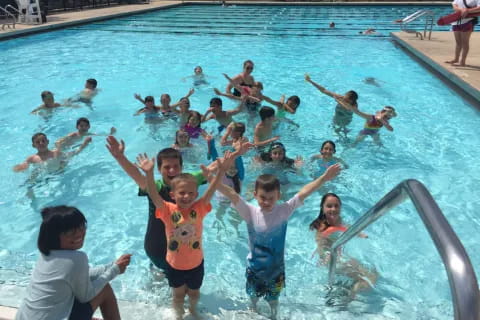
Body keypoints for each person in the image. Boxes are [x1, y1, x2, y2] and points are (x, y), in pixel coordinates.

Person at [216, 164, 341, 319]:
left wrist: (324, 178)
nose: (267, 202)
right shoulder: (249, 212)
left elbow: (304, 192)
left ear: (278, 196)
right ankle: (253, 310)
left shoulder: (283, 211)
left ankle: (274, 315)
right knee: (253, 297)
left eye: (271, 198)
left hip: (276, 272)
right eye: (262, 197)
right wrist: (214, 179)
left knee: (273, 300)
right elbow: (232, 194)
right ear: (255, 195)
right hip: (255, 270)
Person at [135, 150, 235, 319]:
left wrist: (222, 171)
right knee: (178, 296)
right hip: (174, 266)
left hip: (196, 264)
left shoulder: (200, 208)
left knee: (195, 294)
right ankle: (178, 315)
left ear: (196, 195)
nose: (186, 196)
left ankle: (193, 311)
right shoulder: (167, 210)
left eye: (190, 193)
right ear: (173, 195)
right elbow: (153, 194)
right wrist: (150, 173)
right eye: (181, 193)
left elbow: (211, 189)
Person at [106, 136, 207, 272]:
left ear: (182, 167)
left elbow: (213, 168)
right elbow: (137, 176)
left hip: (184, 247)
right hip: (158, 247)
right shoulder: (157, 188)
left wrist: (233, 156)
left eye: (176, 166)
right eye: (167, 167)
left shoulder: (190, 181)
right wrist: (120, 157)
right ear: (159, 169)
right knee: (164, 278)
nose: (172, 171)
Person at [15, 205, 131, 320]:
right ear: (55, 235)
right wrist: (114, 270)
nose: (79, 234)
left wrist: (111, 266)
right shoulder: (76, 259)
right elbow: (86, 296)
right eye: (70, 231)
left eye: (81, 226)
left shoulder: (45, 254)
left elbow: (79, 276)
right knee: (104, 288)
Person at [310, 193, 377, 298]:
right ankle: (351, 293)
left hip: (340, 256)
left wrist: (360, 234)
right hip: (332, 259)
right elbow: (320, 245)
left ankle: (348, 290)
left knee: (373, 274)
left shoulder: (338, 220)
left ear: (340, 207)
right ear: (322, 209)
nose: (333, 209)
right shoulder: (322, 227)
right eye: (329, 206)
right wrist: (326, 255)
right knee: (369, 278)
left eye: (336, 206)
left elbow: (346, 228)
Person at [13, 133, 91, 172]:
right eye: (38, 142)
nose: (41, 143)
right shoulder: (32, 158)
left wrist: (84, 144)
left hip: (58, 173)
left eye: (43, 141)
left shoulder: (56, 153)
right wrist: (19, 168)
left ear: (48, 142)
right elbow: (21, 166)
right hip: (43, 178)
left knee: (63, 164)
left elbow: (74, 153)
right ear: (33, 145)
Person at [446, 0, 480, 67]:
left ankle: (462, 61)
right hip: (457, 21)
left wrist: (467, 11)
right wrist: (461, 10)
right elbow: (454, 4)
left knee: (465, 42)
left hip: (468, 21)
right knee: (458, 42)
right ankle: (456, 58)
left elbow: (479, 8)